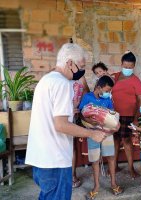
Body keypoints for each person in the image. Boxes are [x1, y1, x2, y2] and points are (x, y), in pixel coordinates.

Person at [25, 43, 106, 200]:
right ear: (70, 63)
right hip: (55, 160)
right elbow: (61, 125)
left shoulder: (46, 81)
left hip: (41, 159)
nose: (82, 71)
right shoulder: (62, 83)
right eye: (81, 66)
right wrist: (92, 133)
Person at [78, 75, 123, 199]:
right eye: (107, 90)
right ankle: (96, 186)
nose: (108, 93)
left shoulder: (108, 100)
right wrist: (88, 120)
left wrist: (115, 125)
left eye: (110, 91)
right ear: (98, 87)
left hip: (107, 133)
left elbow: (112, 115)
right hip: (92, 133)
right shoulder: (87, 97)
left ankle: (113, 183)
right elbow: (81, 114)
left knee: (111, 158)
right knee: (95, 160)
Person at [112, 51, 141, 179]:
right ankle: (114, 166)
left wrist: (136, 118)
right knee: (115, 140)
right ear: (121, 64)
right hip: (113, 115)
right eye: (125, 66)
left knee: (126, 141)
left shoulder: (136, 81)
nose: (127, 69)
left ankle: (131, 168)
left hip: (128, 115)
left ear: (134, 66)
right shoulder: (114, 77)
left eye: (130, 67)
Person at [72, 76, 90, 188]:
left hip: (73, 116)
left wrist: (80, 107)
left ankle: (72, 174)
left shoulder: (79, 78)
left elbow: (86, 93)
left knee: (71, 146)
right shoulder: (58, 77)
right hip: (59, 116)